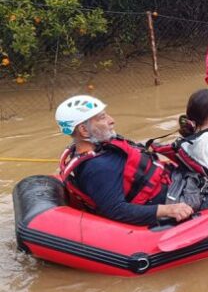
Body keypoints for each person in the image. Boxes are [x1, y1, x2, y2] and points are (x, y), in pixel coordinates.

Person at [56, 95, 194, 225]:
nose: (111, 120)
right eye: (103, 117)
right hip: (172, 196)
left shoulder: (99, 147)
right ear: (84, 130)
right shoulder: (98, 167)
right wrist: (169, 210)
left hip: (173, 181)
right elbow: (116, 210)